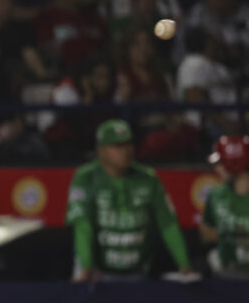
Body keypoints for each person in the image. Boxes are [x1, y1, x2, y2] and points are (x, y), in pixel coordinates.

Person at [66, 119, 191, 282]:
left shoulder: (148, 178)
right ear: (102, 150)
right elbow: (83, 225)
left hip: (137, 270)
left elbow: (168, 224)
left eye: (129, 144)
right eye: (118, 146)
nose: (126, 151)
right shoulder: (85, 178)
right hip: (97, 271)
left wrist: (184, 264)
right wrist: (87, 265)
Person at [200, 135, 249, 279]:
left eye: (221, 163)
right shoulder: (216, 194)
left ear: (235, 163)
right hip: (228, 272)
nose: (216, 169)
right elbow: (205, 234)